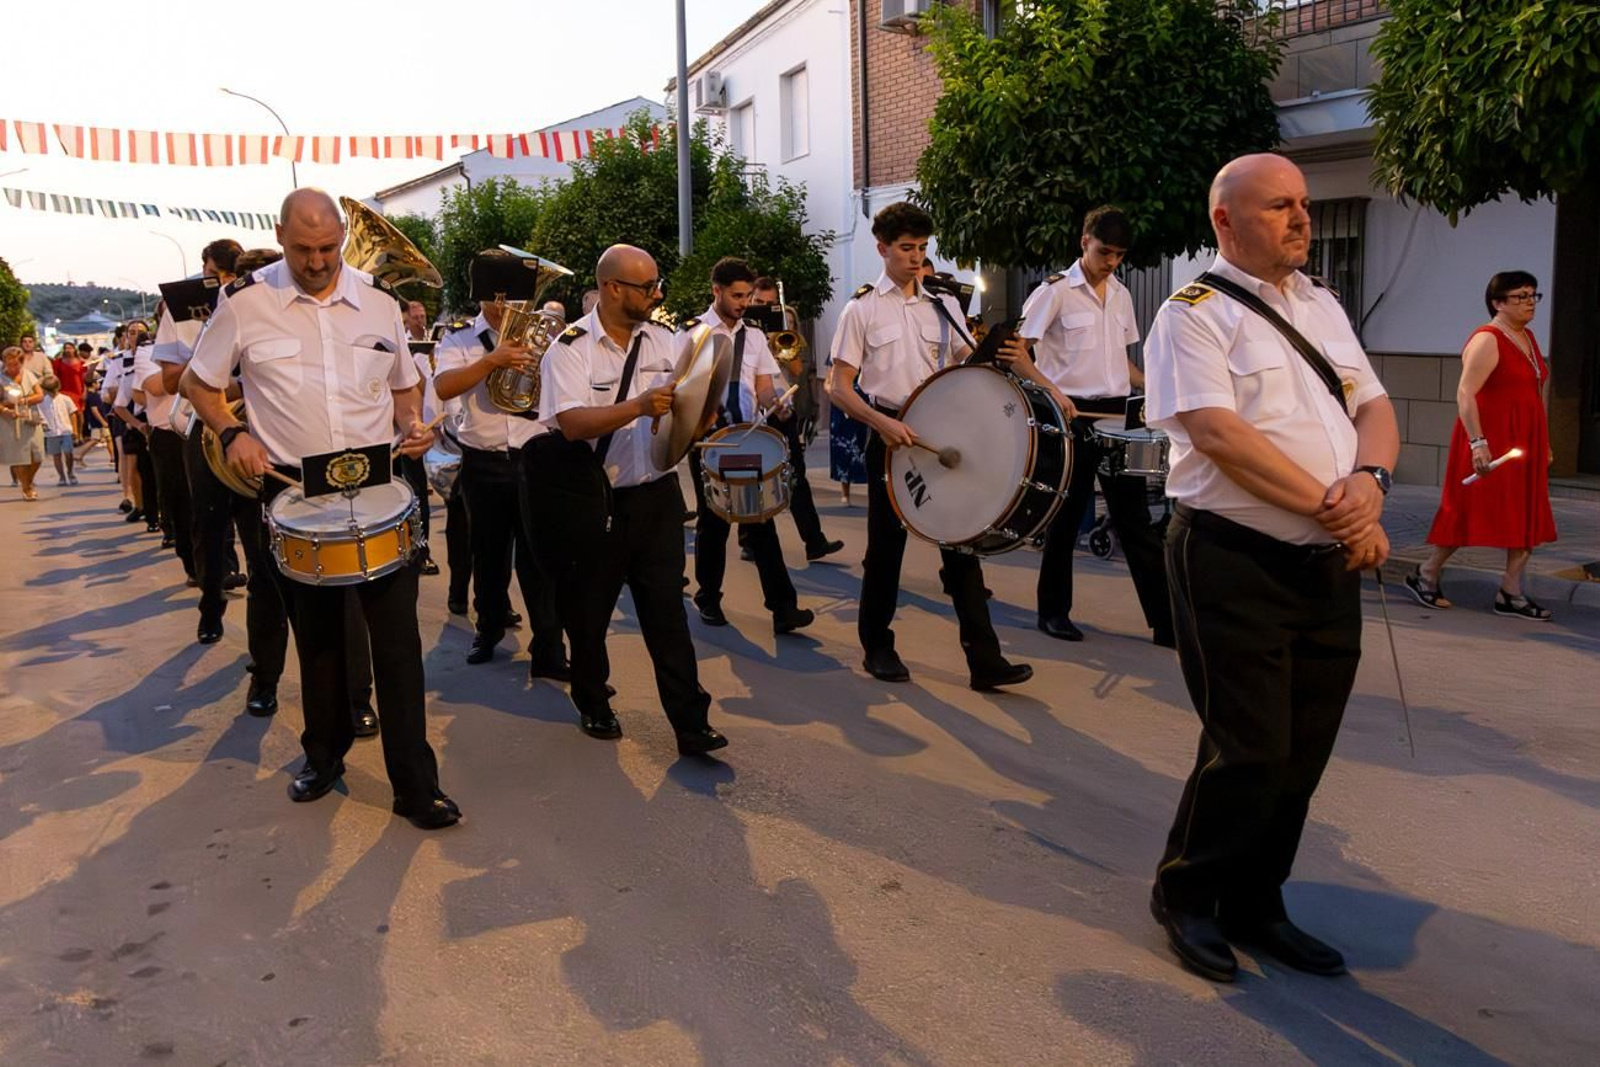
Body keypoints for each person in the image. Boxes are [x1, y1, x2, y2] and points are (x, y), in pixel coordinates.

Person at [1143, 153, 1400, 983]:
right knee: (1247, 746)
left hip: (1325, 566)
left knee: (1302, 750)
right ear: (1225, 219)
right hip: (1231, 558)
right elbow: (1218, 434)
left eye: (1304, 204)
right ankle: (1187, 893)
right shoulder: (1193, 314)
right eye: (1279, 206)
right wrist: (1341, 508)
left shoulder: (1319, 303)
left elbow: (1374, 406)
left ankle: (1258, 900)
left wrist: (1372, 484)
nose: (1301, 218)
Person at [183, 188, 458, 829]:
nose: (317, 260)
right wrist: (232, 432)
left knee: (397, 649)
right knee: (321, 645)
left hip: (380, 492)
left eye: (329, 247)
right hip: (294, 496)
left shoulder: (379, 301)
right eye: (304, 249)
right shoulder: (245, 304)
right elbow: (199, 383)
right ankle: (324, 756)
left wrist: (413, 422)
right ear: (279, 236)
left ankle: (416, 787)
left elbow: (404, 387)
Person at [523, 243, 727, 756]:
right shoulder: (570, 349)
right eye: (647, 286)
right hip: (595, 502)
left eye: (656, 285)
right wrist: (637, 406)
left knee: (667, 613)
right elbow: (570, 423)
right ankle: (593, 700)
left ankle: (689, 722)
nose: (656, 294)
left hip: (655, 497)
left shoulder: (663, 340)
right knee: (588, 615)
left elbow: (687, 405)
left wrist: (701, 418)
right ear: (614, 288)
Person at [825, 202, 1033, 691]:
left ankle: (985, 661)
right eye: (906, 248)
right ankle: (877, 646)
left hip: (943, 432)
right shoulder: (861, 309)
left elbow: (967, 366)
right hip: (892, 433)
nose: (916, 257)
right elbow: (838, 386)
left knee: (962, 544)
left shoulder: (945, 305)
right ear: (882, 249)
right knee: (886, 550)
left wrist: (1004, 355)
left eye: (921, 248)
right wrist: (880, 422)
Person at [1004, 206, 1175, 646]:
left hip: (1117, 415)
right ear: (1085, 242)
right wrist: (1052, 392)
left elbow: (1122, 362)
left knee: (1135, 519)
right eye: (1105, 252)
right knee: (1067, 518)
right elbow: (1016, 353)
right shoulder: (1054, 292)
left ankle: (1164, 621)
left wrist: (1155, 387)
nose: (1112, 262)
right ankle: (1053, 612)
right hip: (1072, 415)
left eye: (1119, 255)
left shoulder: (1121, 294)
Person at [432, 249, 570, 675]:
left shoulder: (544, 336)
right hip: (484, 462)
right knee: (488, 556)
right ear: (485, 297)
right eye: (504, 298)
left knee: (539, 560)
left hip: (534, 460)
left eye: (519, 298)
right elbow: (443, 386)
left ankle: (549, 648)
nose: (513, 306)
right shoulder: (458, 339)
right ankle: (488, 629)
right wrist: (493, 360)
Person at [1409, 271, 1558, 620]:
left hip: (1524, 441)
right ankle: (1426, 573)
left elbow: (1535, 394)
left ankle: (1511, 591)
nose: (1529, 303)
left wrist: (1545, 441)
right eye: (1520, 296)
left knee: (1527, 514)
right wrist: (1478, 442)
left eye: (1533, 296)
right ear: (1498, 302)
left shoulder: (1528, 338)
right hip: (1489, 441)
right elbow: (1465, 392)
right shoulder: (1488, 339)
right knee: (1467, 509)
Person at [684, 257, 816, 635]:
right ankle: (708, 596)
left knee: (760, 521)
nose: (744, 302)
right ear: (717, 291)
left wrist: (777, 401)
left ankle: (783, 608)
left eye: (746, 295)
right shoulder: (692, 332)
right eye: (737, 295)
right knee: (714, 522)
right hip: (707, 440)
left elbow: (763, 384)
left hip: (746, 435)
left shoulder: (755, 336)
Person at [152, 238, 247, 641]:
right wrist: (208, 353)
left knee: (259, 532)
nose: (217, 281)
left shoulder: (252, 302)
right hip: (202, 426)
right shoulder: (181, 311)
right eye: (211, 275)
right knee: (207, 524)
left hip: (250, 425)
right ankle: (211, 607)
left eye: (224, 275)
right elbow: (171, 380)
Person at [750, 275, 844, 561]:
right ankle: (748, 540)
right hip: (755, 415)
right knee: (754, 480)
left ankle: (813, 541)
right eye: (759, 303)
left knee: (797, 478)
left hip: (783, 413)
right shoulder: (743, 332)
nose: (765, 308)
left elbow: (796, 368)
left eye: (770, 304)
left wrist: (777, 338)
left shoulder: (783, 333)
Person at [111, 321, 161, 534]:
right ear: (125, 337)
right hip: (140, 424)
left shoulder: (160, 359)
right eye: (132, 333)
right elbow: (117, 401)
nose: (137, 337)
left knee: (164, 476)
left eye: (141, 332)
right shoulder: (122, 364)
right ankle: (147, 512)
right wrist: (137, 424)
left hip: (167, 424)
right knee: (141, 471)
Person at [1, 345, 45, 500]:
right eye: (9, 364)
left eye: (16, 364)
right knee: (19, 457)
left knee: (37, 455)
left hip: (31, 418)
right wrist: (7, 409)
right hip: (10, 422)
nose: (12, 368)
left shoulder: (28, 375)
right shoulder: (1, 378)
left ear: (21, 363)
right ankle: (26, 488)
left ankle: (28, 482)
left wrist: (23, 400)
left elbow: (40, 395)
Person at [38, 375, 78, 485]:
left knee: (68, 453)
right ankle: (62, 476)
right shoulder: (42, 402)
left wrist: (75, 430)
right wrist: (43, 425)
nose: (50, 393)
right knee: (56, 455)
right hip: (51, 432)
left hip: (66, 430)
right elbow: (40, 415)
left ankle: (70, 472)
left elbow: (73, 414)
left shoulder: (65, 399)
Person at [51, 343, 88, 439]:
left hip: (78, 390)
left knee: (79, 413)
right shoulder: (58, 362)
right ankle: (71, 434)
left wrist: (85, 391)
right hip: (64, 390)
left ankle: (80, 434)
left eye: (70, 348)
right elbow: (55, 377)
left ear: (74, 349)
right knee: (68, 413)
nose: (68, 350)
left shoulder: (81, 362)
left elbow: (84, 378)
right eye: (66, 348)